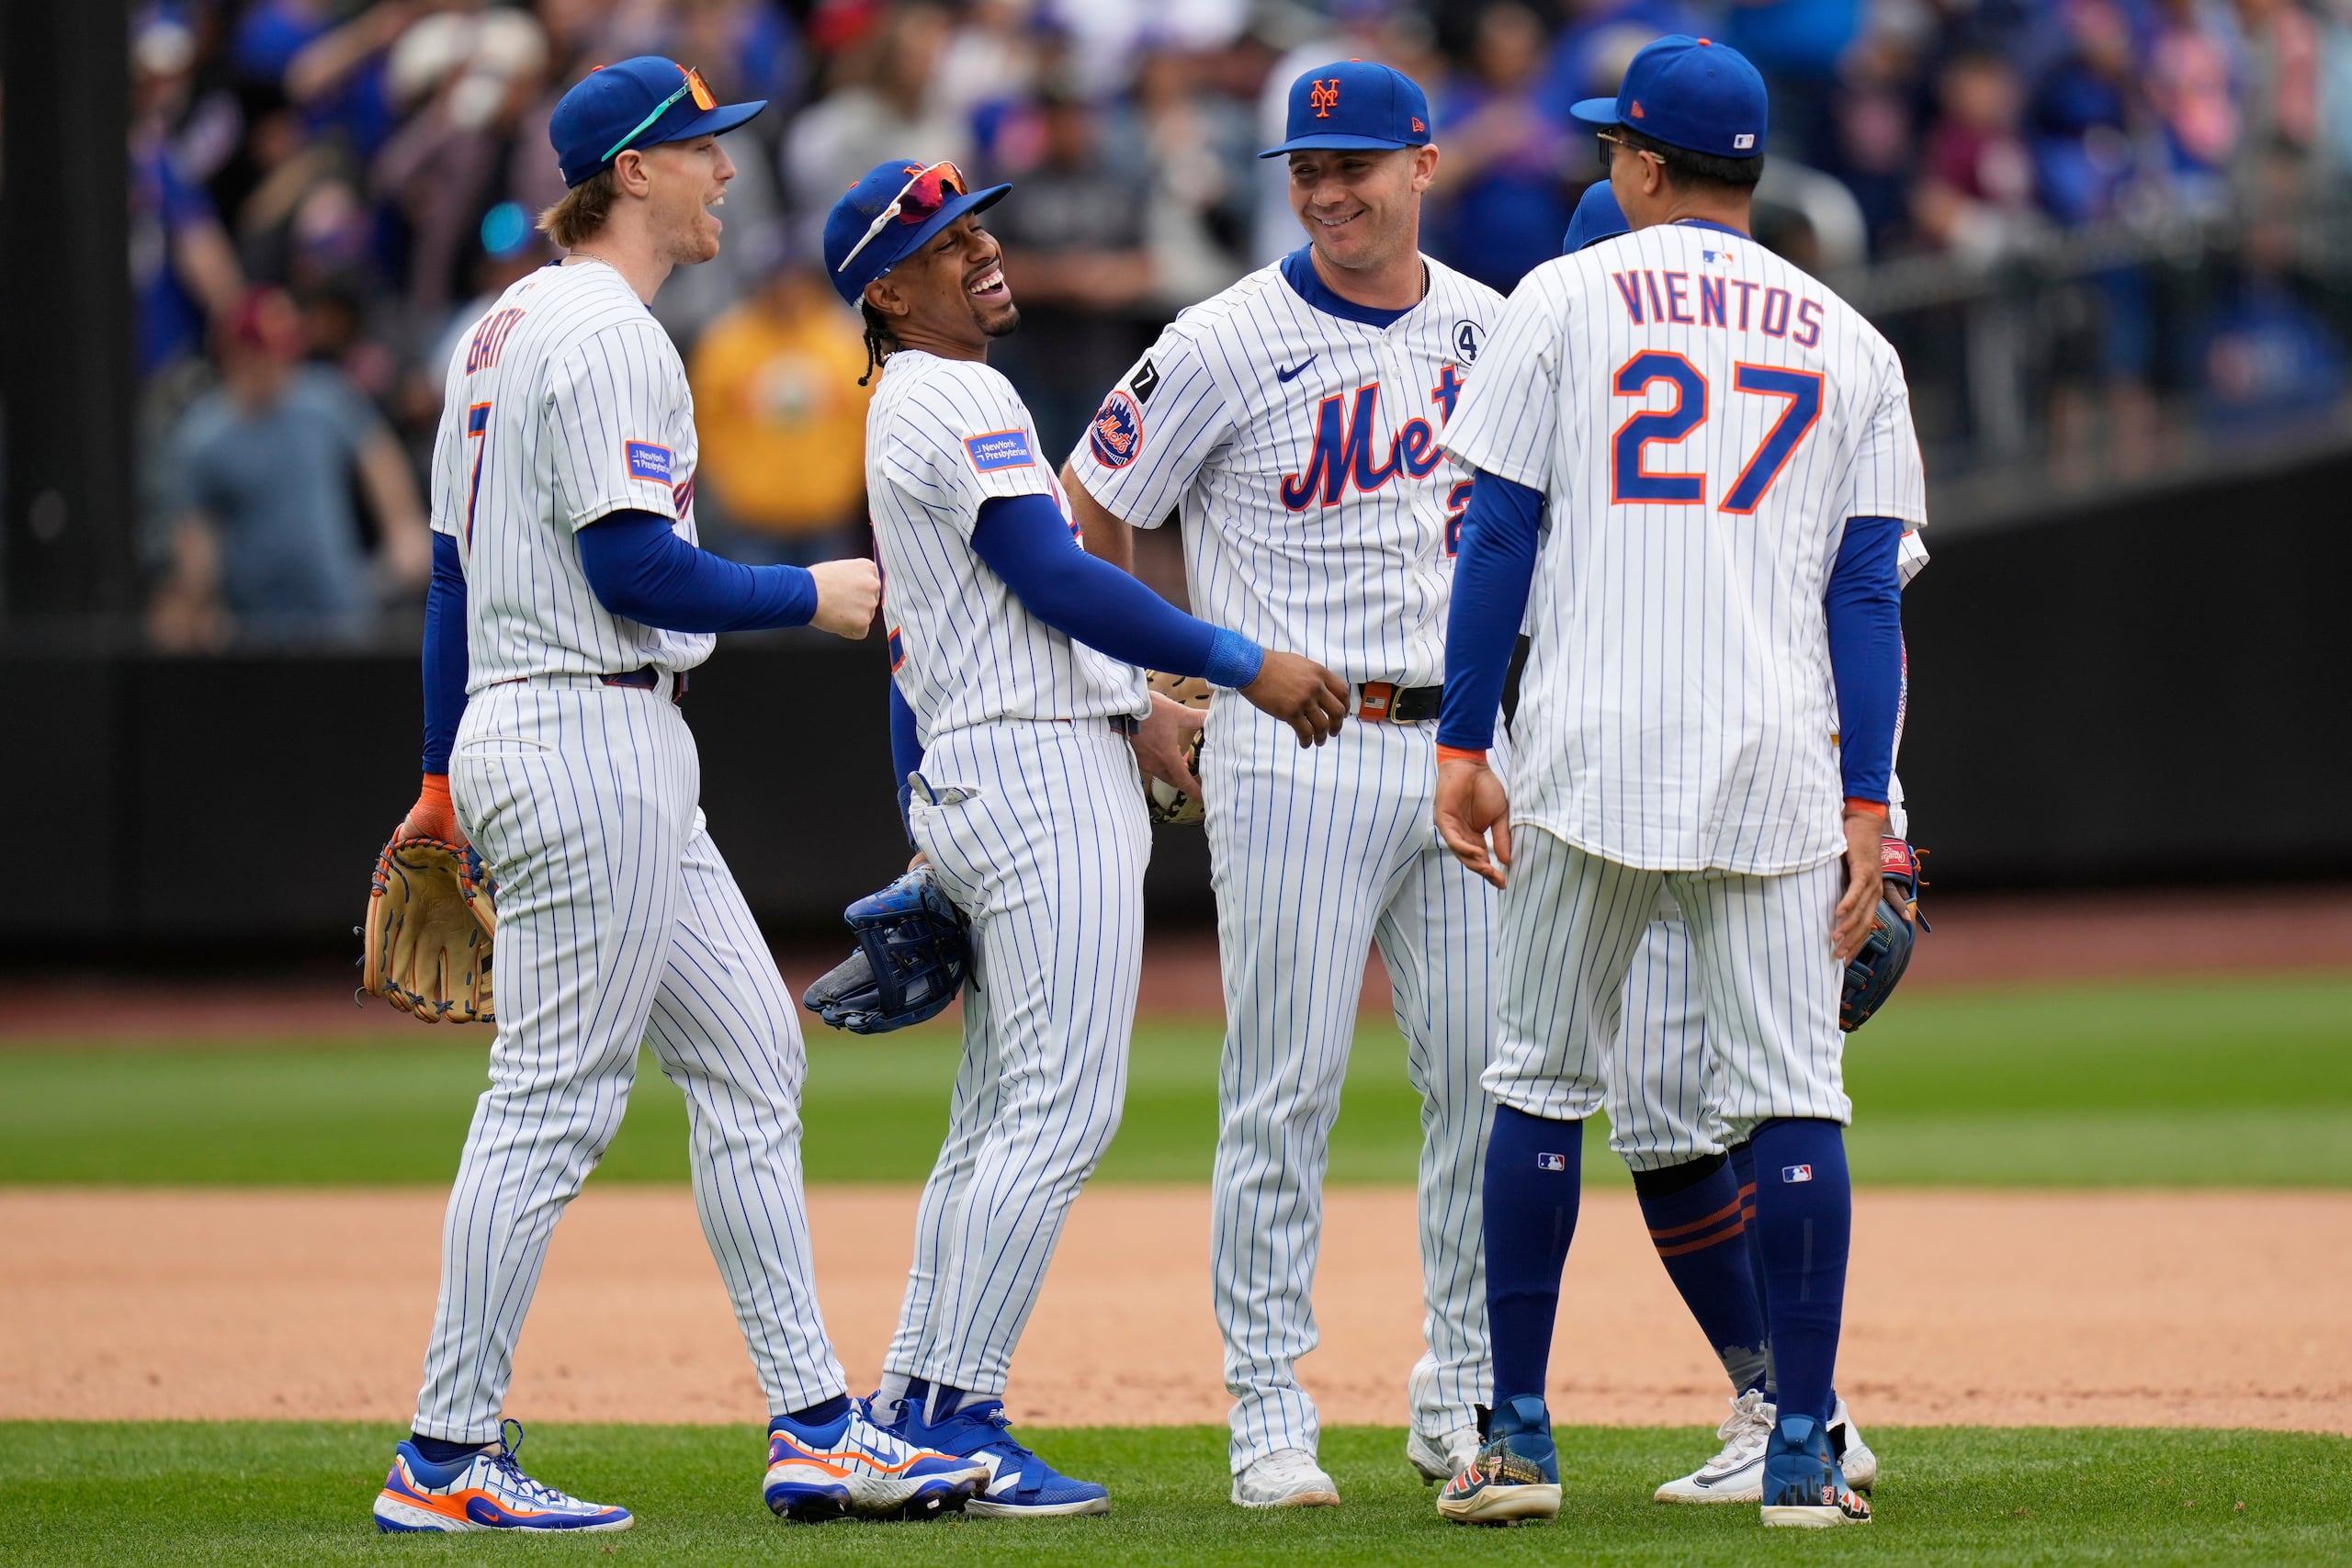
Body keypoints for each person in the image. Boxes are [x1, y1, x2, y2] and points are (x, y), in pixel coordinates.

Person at [370, 58, 986, 1534]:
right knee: (552, 1099)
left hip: (554, 729)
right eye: (703, 149)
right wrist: (817, 592)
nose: (725, 171)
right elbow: (632, 569)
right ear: (633, 171)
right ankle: (447, 1453)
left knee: (752, 1060)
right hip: (592, 731)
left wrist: (444, 774)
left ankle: (817, 1425)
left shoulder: (493, 331)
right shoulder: (612, 333)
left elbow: (455, 581)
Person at [1431, 37, 1917, 1529]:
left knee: (1536, 1084)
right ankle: (1797, 1460)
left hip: (1585, 747)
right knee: (1793, 1099)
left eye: (1610, 147)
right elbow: (1866, 600)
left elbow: (1499, 536)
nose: (1602, 166)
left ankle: (1517, 1439)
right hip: (1774, 761)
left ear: (1643, 163)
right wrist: (1867, 800)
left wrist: (1464, 738)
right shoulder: (1850, 335)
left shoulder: (1562, 298)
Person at [825, 155, 1348, 1517]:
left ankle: (908, 1400)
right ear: (889, 285)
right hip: (1037, 780)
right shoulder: (960, 391)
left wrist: (1130, 710)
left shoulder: (906, 401)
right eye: (948, 242)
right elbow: (1053, 575)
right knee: (1061, 1108)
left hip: (999, 760)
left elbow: (944, 631)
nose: (984, 252)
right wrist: (1239, 662)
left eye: (980, 227)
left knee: (997, 1113)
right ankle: (952, 1413)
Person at [1062, 61, 1509, 1506]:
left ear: (1422, 165)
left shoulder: (1497, 329)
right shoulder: (1221, 335)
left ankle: (1465, 1392)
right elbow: (1089, 509)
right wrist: (1144, 689)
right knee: (1284, 1087)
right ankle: (1269, 1406)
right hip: (1297, 748)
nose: (1327, 189)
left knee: (1488, 1089)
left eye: (1356, 164)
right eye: (1307, 168)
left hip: (1459, 748)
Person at [1549, 179, 1905, 1507]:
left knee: (1739, 1096)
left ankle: (1793, 1416)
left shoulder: (1760, 373)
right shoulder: (1793, 356)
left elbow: (1849, 616)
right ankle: (1792, 1407)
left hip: (1750, 793)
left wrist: (1885, 809)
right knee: (1658, 1109)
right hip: (1649, 787)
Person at [153, 285, 430, 650]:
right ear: (235, 354)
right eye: (264, 353)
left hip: (341, 613)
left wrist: (403, 524)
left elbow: (377, 454)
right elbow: (194, 532)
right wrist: (198, 600)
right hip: (254, 630)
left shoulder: (323, 399)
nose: (278, 365)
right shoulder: (204, 437)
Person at [688, 237, 878, 565]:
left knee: (831, 612)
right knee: (757, 612)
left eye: (796, 279)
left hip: (828, 514)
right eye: (778, 279)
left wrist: (848, 484)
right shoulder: (727, 344)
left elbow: (869, 420)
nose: (788, 290)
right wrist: (730, 486)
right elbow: (703, 423)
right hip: (751, 518)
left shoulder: (844, 341)